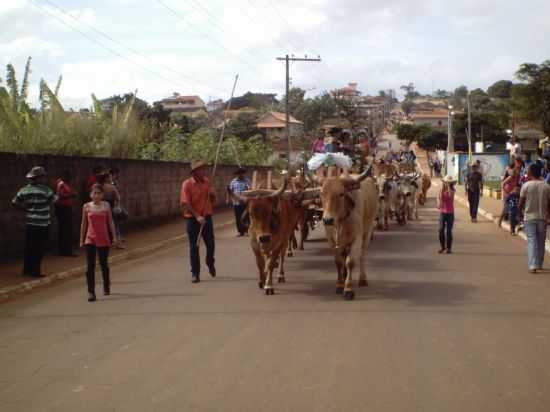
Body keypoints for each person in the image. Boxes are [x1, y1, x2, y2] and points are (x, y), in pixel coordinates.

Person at [12, 166, 58, 278]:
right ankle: (35, 271)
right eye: (42, 177)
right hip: (42, 223)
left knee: (29, 247)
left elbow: (14, 202)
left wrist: (25, 208)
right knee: (39, 248)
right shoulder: (45, 190)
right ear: (39, 178)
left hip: (30, 222)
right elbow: (54, 200)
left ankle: (26, 270)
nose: (44, 179)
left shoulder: (23, 190)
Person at [180, 160, 217, 283]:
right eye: (200, 169)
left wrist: (212, 195)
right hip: (193, 219)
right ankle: (195, 273)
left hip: (207, 217)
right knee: (194, 247)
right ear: (194, 172)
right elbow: (185, 203)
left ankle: (210, 261)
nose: (203, 171)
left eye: (203, 169)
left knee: (211, 245)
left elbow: (213, 200)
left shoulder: (207, 182)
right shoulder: (187, 184)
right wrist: (197, 216)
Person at [80, 184, 117, 302]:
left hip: (104, 238)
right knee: (89, 266)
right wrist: (81, 239)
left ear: (102, 195)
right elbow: (83, 224)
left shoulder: (106, 205)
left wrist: (114, 237)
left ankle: (106, 285)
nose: (96, 195)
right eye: (94, 193)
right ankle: (91, 292)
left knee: (103, 264)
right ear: (91, 194)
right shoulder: (86, 206)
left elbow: (110, 222)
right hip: (90, 238)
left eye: (98, 193)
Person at [519, 163, 550, 273]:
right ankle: (539, 263)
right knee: (541, 241)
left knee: (532, 241)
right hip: (542, 217)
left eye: (528, 170)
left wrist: (519, 214)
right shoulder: (546, 186)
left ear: (531, 172)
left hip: (529, 217)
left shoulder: (526, 185)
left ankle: (533, 265)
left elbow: (521, 202)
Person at [55, 170, 78, 256]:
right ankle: (66, 251)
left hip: (64, 208)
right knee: (66, 230)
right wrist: (72, 195)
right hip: (63, 209)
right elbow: (60, 196)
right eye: (68, 177)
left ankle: (64, 250)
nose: (70, 179)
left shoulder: (63, 184)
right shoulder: (61, 184)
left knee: (65, 230)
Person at [227, 167, 251, 237]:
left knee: (246, 217)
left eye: (242, 173)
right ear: (237, 174)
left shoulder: (247, 181)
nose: (240, 175)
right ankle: (240, 232)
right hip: (236, 202)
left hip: (245, 202)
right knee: (238, 217)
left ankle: (246, 231)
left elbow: (250, 190)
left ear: (243, 173)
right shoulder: (233, 182)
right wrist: (228, 199)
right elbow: (230, 191)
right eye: (239, 174)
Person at [437, 175, 456, 254]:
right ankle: (442, 247)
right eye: (446, 182)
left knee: (449, 231)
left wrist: (448, 188)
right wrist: (438, 203)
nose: (447, 183)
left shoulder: (453, 190)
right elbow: (438, 198)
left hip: (450, 213)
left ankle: (449, 248)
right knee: (441, 230)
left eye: (449, 182)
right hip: (442, 212)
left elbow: (451, 196)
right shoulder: (441, 189)